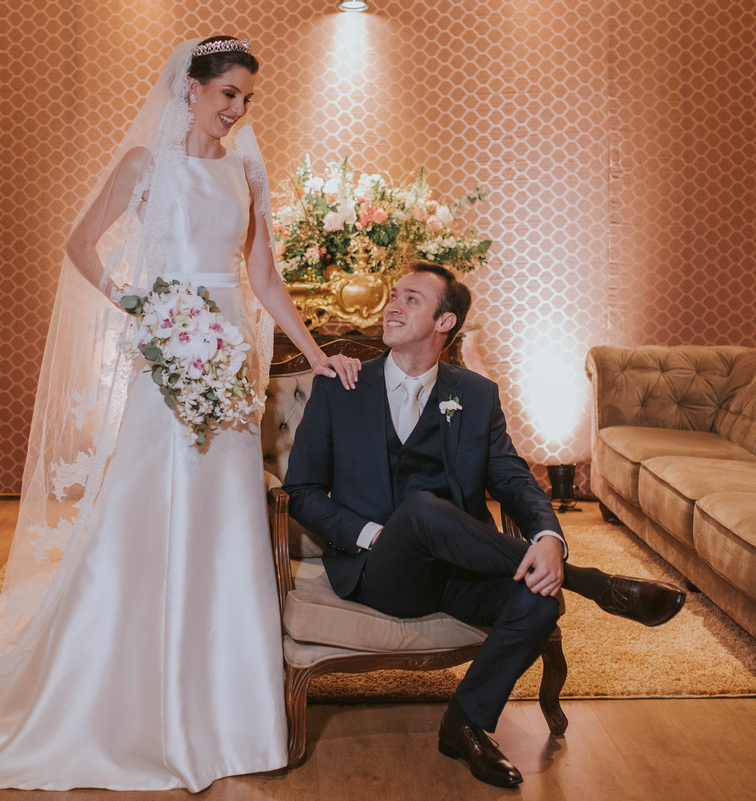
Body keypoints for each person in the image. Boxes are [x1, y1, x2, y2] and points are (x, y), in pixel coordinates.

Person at [0, 36, 360, 792]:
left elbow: (263, 278)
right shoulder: (145, 164)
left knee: (227, 517)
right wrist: (142, 308)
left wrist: (314, 354)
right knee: (148, 504)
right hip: (171, 347)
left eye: (248, 98)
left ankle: (229, 708)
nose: (238, 110)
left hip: (227, 356)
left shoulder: (246, 169)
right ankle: (121, 683)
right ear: (192, 88)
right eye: (228, 93)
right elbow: (82, 243)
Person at [282, 261, 686, 788]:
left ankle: (465, 724)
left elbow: (513, 478)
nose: (392, 307)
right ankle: (594, 583)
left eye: (410, 299)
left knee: (539, 601)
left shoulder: (475, 393)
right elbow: (301, 493)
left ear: (445, 322)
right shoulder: (342, 386)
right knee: (421, 510)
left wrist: (548, 538)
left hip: (459, 570)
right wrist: (376, 535)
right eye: (394, 296)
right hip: (378, 571)